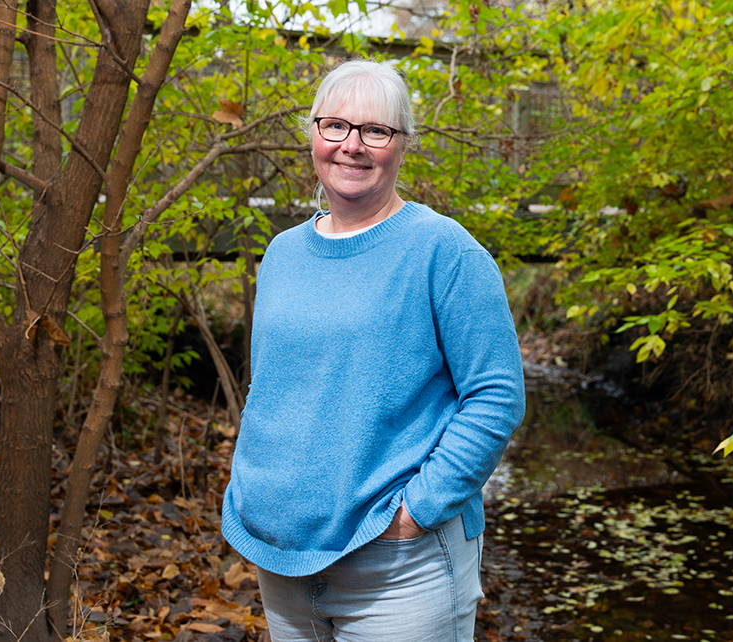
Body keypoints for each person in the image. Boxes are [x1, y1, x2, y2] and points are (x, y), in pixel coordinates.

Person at [221, 58, 526, 641]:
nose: (352, 145)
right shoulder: (282, 254)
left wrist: (416, 513)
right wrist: (257, 490)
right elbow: (273, 388)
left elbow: (496, 396)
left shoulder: (444, 250)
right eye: (335, 125)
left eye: (375, 131)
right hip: (281, 557)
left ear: (403, 144)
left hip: (399, 568)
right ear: (313, 134)